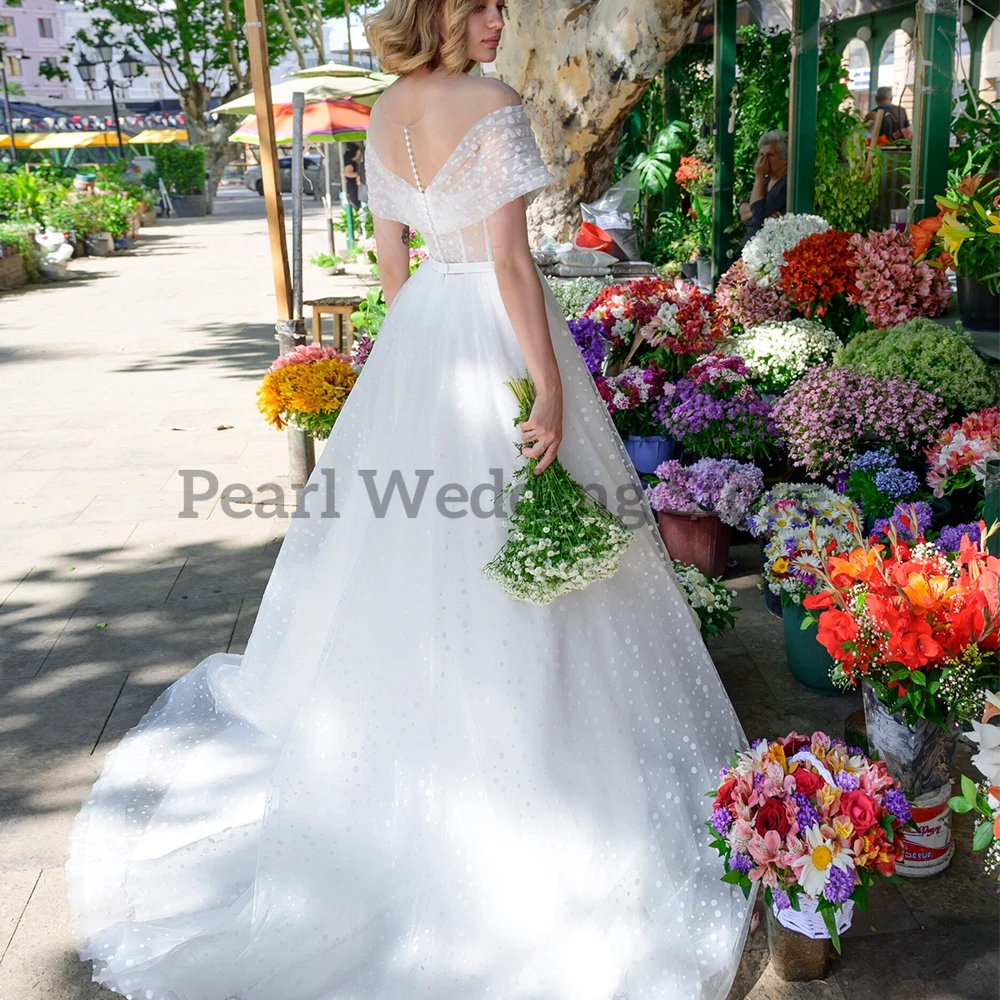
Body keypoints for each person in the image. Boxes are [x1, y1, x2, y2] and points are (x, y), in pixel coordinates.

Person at [65, 2, 755, 999]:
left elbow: (392, 259)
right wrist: (550, 390)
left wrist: (409, 357)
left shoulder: (387, 107)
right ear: (440, 10)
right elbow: (515, 264)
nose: (498, 21)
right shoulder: (490, 101)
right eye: (480, 7)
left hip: (424, 332)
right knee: (525, 546)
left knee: (414, 560)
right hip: (495, 333)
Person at [738, 129, 788, 243]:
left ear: (785, 159)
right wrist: (755, 213)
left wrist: (759, 176)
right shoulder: (768, 180)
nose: (763, 160)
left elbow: (758, 210)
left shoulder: (785, 184)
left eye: (770, 155)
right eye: (761, 154)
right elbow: (741, 210)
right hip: (750, 244)